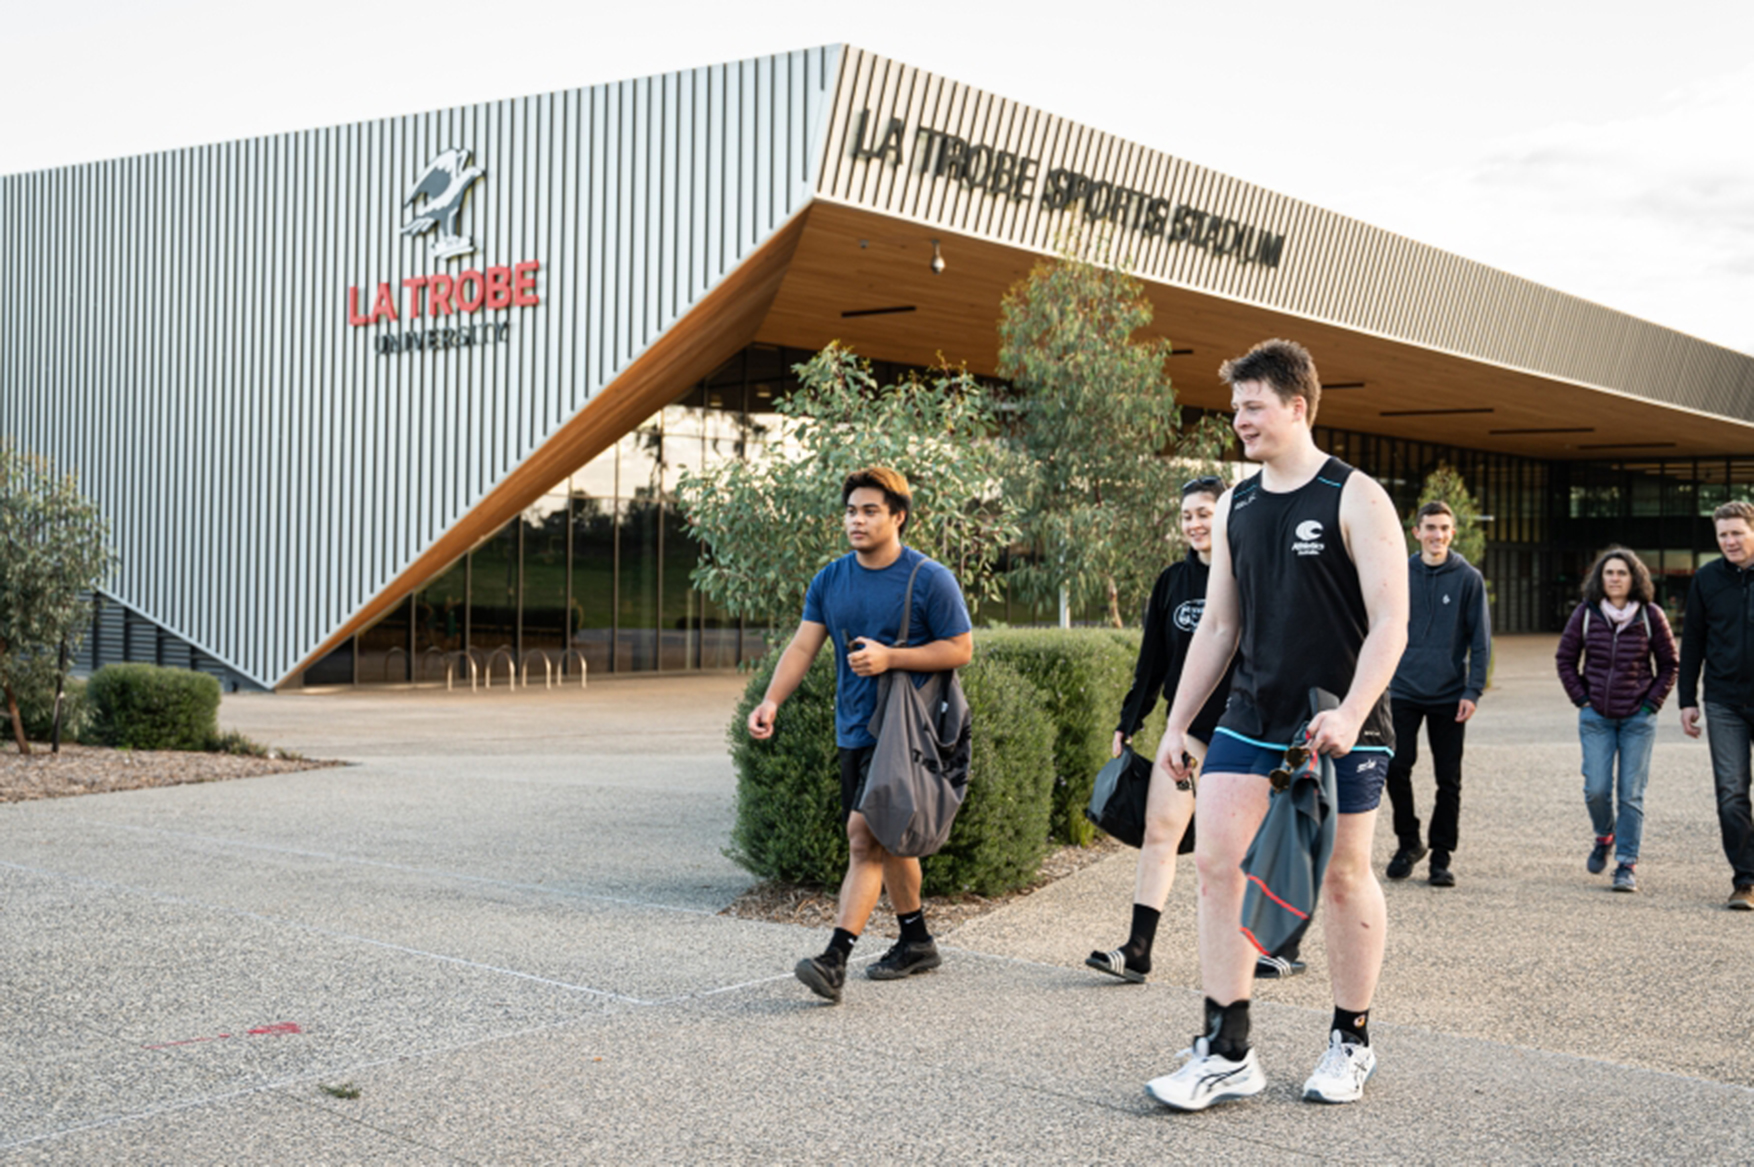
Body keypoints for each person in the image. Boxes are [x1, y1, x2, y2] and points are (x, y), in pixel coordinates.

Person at [1144, 338, 1408, 1110]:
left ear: (1298, 406)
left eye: (1253, 407)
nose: (1240, 422)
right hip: (1252, 712)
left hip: (1338, 714)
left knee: (1341, 873)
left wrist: (1353, 713)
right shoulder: (1237, 504)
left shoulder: (1356, 496)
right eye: (1235, 409)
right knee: (1215, 864)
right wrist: (1180, 721)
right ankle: (1227, 1050)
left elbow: (1392, 621)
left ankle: (1350, 1038)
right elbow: (1219, 626)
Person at [746, 467, 974, 1003]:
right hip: (854, 729)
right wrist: (771, 700)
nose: (857, 519)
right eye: (851, 510)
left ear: (898, 516)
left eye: (870, 510)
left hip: (906, 734)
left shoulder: (929, 578)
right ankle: (916, 939)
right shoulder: (831, 579)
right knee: (889, 837)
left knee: (864, 835)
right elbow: (803, 646)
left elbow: (960, 647)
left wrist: (892, 657)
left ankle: (834, 959)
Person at [1089, 476, 1305, 983]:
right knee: (1160, 832)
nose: (1194, 524)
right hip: (1186, 732)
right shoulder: (1172, 583)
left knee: (1250, 843)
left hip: (1250, 731)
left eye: (1204, 513)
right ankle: (1138, 949)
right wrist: (1129, 721)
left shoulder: (1256, 576)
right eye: (1187, 515)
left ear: (1227, 516)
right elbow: (1153, 663)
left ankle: (1276, 944)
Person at [1555, 548, 1678, 893]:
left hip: (1638, 719)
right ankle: (1604, 834)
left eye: (1622, 573)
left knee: (1630, 794)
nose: (1614, 578)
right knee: (1595, 787)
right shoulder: (1584, 614)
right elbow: (1565, 659)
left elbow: (1670, 664)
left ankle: (1626, 863)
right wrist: (1582, 700)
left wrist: (1651, 704)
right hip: (1597, 718)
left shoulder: (1651, 615)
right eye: (1608, 572)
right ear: (1600, 578)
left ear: (1634, 578)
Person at [1383, 501, 1491, 887]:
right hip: (1402, 690)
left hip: (1449, 694)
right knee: (1396, 767)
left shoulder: (1468, 579)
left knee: (1449, 779)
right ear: (1416, 532)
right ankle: (1409, 842)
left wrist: (1472, 690)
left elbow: (1480, 641)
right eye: (1430, 527)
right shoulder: (1398, 573)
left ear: (1453, 533)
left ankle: (1441, 856)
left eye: (1444, 528)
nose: (1437, 535)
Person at [1677, 501, 1754, 911]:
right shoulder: (1707, 579)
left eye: (1737, 533)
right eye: (1723, 534)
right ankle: (1746, 880)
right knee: (1731, 793)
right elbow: (1692, 642)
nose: (1729, 541)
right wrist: (1687, 699)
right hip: (1724, 701)